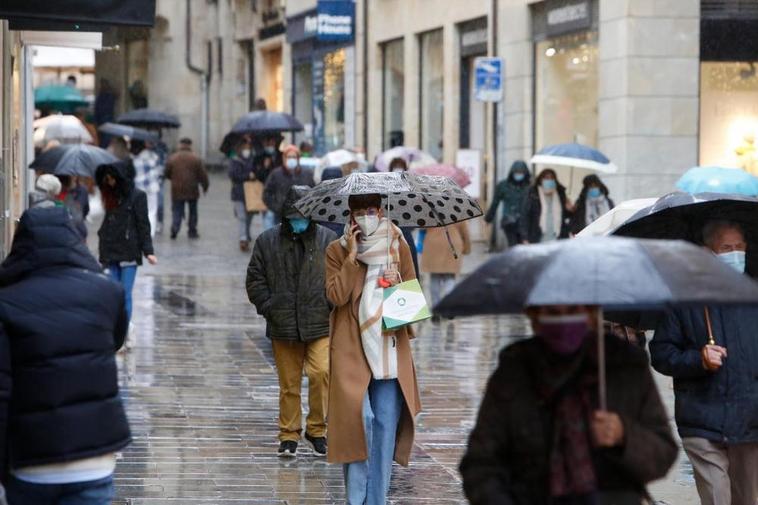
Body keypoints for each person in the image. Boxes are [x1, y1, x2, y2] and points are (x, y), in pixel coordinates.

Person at [460, 304, 678, 504]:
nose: (564, 321)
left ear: (592, 315)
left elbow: (663, 453)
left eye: (574, 310)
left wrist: (624, 435)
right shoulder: (514, 373)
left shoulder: (625, 367)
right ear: (535, 317)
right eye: (553, 313)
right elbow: (480, 463)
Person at [0, 207, 131, 505]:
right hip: (93, 457)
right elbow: (115, 340)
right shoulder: (107, 292)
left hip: (31, 462)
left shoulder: (6, 301)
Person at [651, 220, 758, 505]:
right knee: (717, 498)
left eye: (739, 247)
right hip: (703, 421)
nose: (735, 253)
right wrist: (698, 359)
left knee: (747, 499)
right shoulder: (684, 300)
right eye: (726, 248)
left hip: (750, 421)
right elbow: (661, 352)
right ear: (707, 252)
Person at [325, 193, 422, 505]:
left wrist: (395, 287)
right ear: (351, 217)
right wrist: (352, 258)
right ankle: (356, 499)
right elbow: (335, 297)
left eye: (371, 210)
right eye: (359, 212)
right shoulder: (335, 250)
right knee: (359, 421)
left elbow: (411, 312)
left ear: (381, 211)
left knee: (383, 430)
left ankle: (376, 500)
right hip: (351, 350)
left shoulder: (399, 246)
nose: (366, 217)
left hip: (389, 350)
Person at [246, 186, 337, 458]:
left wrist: (329, 304)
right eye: (294, 215)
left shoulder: (328, 239)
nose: (299, 219)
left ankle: (317, 429)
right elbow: (255, 279)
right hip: (283, 324)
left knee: (322, 373)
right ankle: (289, 434)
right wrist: (268, 306)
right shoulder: (267, 241)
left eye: (303, 215)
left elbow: (338, 277)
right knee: (289, 383)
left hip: (319, 321)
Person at [95, 161, 157, 327]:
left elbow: (143, 224)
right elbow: (107, 223)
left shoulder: (138, 196)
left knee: (125, 293)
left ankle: (123, 329)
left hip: (129, 252)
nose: (109, 182)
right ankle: (117, 327)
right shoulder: (110, 196)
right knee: (113, 293)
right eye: (107, 179)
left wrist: (148, 250)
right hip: (110, 251)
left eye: (112, 179)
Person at [165, 138, 209, 239]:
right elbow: (203, 175)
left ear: (180, 145)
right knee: (193, 211)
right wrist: (205, 186)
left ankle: (175, 229)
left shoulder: (173, 158)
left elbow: (166, 172)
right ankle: (192, 231)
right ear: (190, 145)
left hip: (177, 189)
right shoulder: (196, 158)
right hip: (192, 189)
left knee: (177, 210)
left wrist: (173, 179)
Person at [420, 222, 471, 311]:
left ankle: (436, 306)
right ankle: (449, 306)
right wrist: (467, 248)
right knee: (450, 277)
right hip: (452, 243)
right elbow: (465, 232)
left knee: (434, 277)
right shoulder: (457, 210)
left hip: (433, 244)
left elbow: (422, 227)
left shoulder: (429, 211)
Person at [384, 157, 421, 275]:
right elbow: (415, 218)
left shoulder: (384, 187)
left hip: (386, 237)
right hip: (404, 236)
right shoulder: (410, 189)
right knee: (408, 272)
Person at [263, 145, 315, 225]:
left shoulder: (307, 174)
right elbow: (266, 194)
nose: (291, 159)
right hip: (281, 217)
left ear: (298, 159)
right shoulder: (276, 174)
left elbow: (314, 192)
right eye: (289, 157)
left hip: (302, 216)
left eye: (294, 157)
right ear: (284, 158)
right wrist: (277, 208)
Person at [484, 160, 531, 247]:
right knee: (513, 245)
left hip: (526, 222)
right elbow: (495, 203)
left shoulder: (529, 186)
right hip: (510, 221)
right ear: (512, 172)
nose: (519, 174)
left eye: (521, 172)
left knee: (524, 246)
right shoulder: (503, 186)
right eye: (517, 172)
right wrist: (488, 218)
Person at [520, 168, 573, 244]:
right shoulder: (533, 194)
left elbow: (565, 216)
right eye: (546, 178)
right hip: (537, 236)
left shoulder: (560, 194)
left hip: (557, 236)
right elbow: (525, 216)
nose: (549, 180)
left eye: (552, 178)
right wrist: (524, 237)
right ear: (541, 180)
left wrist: (570, 210)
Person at [229, 138, 257, 251]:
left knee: (249, 216)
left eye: (248, 147)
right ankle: (243, 238)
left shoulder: (253, 159)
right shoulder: (235, 160)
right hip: (239, 193)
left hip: (251, 194)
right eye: (245, 147)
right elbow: (233, 175)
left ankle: (246, 234)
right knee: (242, 217)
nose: (247, 149)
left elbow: (258, 172)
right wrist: (247, 176)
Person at [132, 140, 162, 237]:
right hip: (152, 188)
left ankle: (139, 232)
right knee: (152, 211)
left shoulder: (135, 159)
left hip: (139, 189)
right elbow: (159, 173)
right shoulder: (154, 157)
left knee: (139, 212)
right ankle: (150, 233)